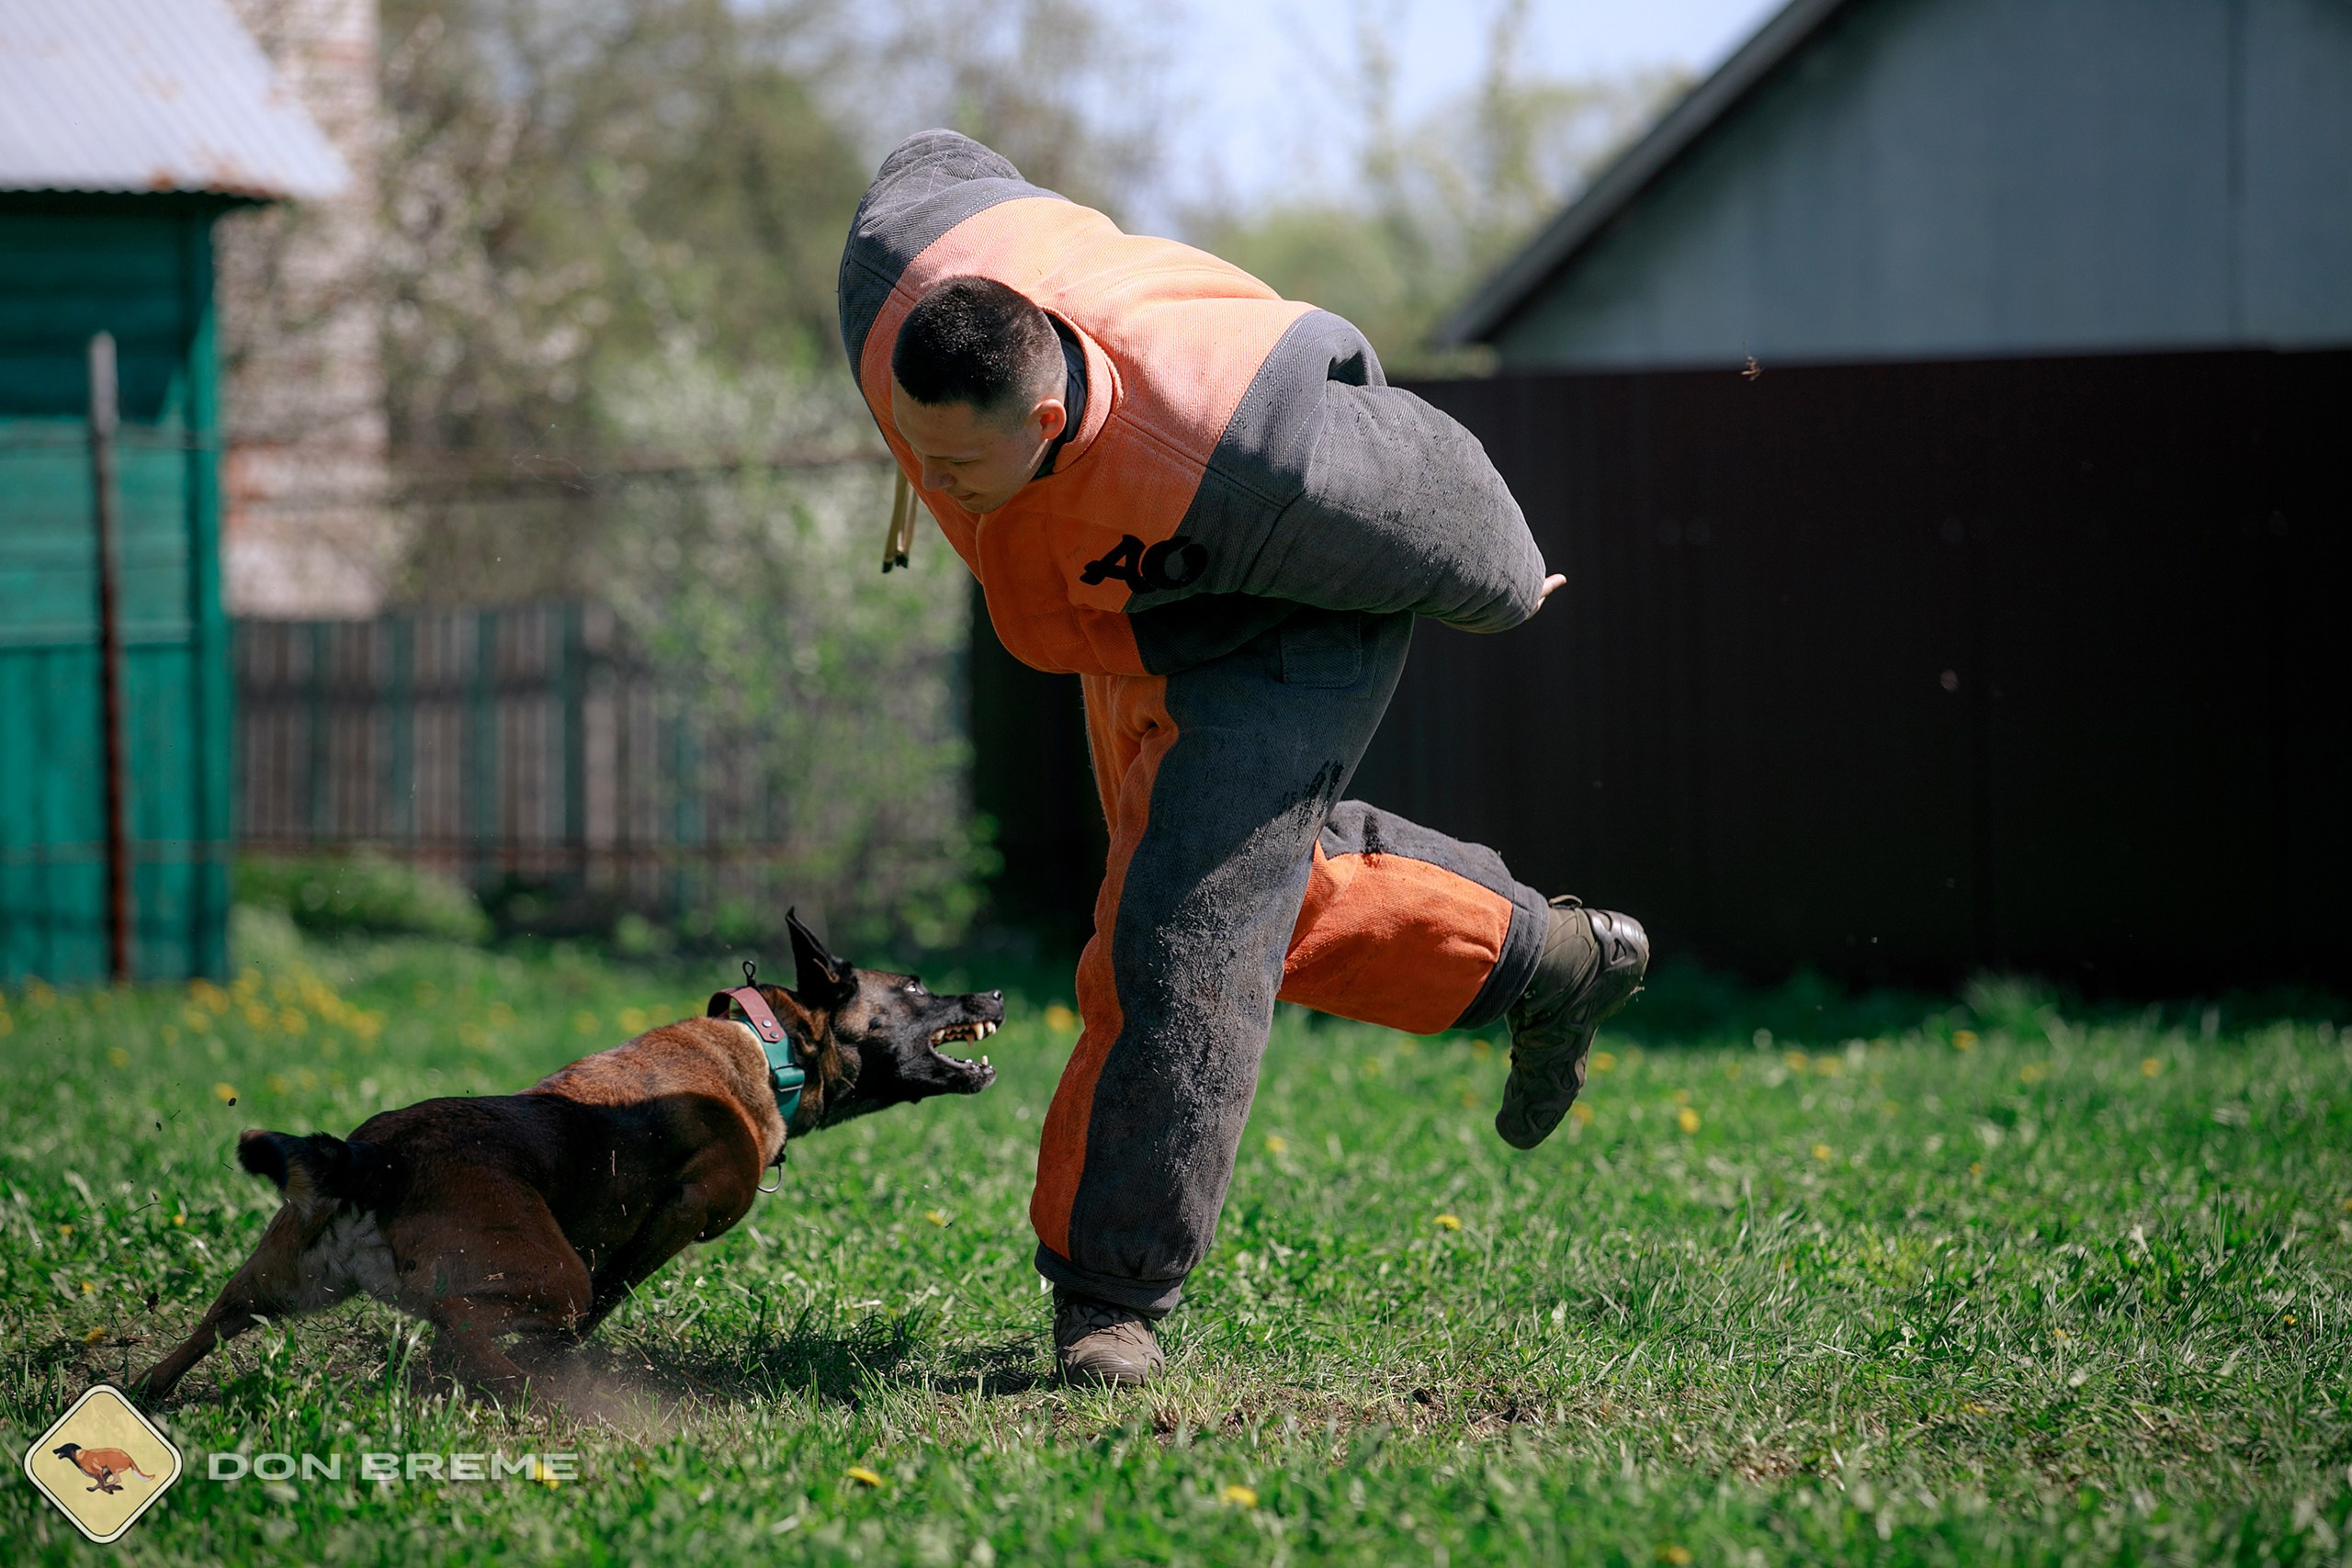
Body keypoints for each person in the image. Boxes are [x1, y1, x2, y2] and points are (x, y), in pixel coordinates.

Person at [838, 130, 1647, 1386]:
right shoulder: (894, 297)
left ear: (1045, 420)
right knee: (1229, 895)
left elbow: (1434, 486)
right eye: (911, 450)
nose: (927, 479)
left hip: (1284, 622)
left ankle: (1110, 1298)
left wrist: (1507, 580)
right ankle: (1542, 959)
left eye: (952, 467)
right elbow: (934, 165)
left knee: (1177, 939)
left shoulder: (1261, 459)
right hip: (1125, 605)